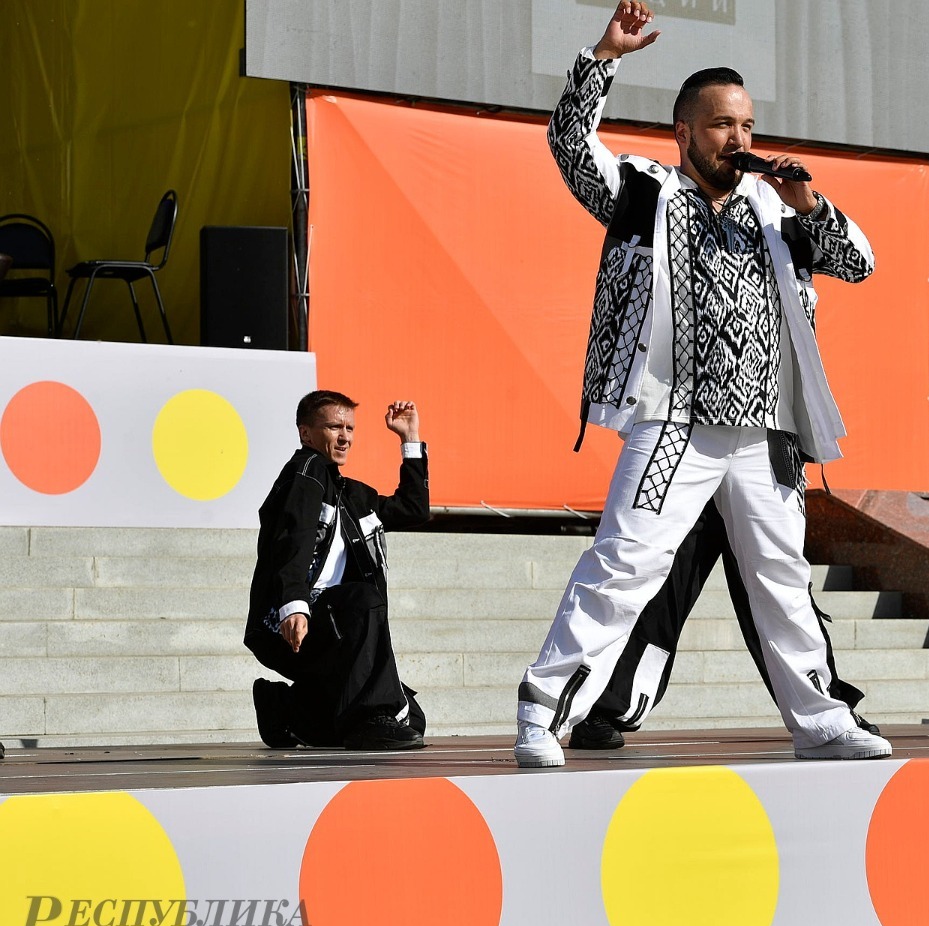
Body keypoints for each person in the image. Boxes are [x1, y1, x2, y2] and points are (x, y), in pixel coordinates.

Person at [515, 0, 891, 766]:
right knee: (624, 565)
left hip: (766, 433)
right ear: (684, 132)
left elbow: (860, 262)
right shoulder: (646, 192)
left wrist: (811, 203)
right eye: (722, 124)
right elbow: (570, 146)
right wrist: (603, 58)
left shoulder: (780, 211)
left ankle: (823, 720)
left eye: (747, 125)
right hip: (674, 425)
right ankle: (544, 712)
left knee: (782, 578)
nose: (739, 139)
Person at [569, 502, 877, 749]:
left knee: (784, 596)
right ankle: (605, 707)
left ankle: (828, 708)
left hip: (757, 457)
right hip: (695, 459)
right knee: (662, 591)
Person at [244, 390, 431, 751]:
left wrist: (409, 438)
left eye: (350, 428)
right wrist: (293, 603)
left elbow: (413, 509)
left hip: (337, 629)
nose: (345, 437)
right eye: (334, 427)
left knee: (411, 719)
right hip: (292, 620)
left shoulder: (352, 495)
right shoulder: (307, 470)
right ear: (306, 434)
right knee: (364, 599)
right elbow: (293, 535)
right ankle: (366, 720)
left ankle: (286, 710)